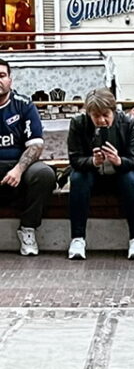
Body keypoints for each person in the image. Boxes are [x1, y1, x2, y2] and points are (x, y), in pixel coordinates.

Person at [66, 88, 134, 261]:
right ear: (88, 114)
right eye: (96, 116)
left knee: (131, 179)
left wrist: (118, 161)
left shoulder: (129, 122)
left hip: (123, 172)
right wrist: (92, 162)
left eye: (106, 115)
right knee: (78, 178)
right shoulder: (78, 123)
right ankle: (77, 238)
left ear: (114, 110)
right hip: (93, 174)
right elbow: (74, 159)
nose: (101, 120)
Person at [0, 57, 56, 255]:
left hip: (18, 167)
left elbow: (36, 145)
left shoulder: (24, 105)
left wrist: (18, 169)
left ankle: (28, 229)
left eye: (2, 76)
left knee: (44, 174)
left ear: (10, 80)